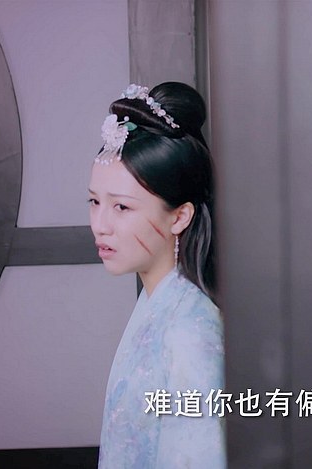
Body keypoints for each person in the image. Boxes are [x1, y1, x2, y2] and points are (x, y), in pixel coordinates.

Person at [89, 82, 225, 468]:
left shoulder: (190, 332)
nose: (100, 225)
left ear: (179, 216)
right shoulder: (160, 297)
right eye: (94, 201)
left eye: (122, 207)